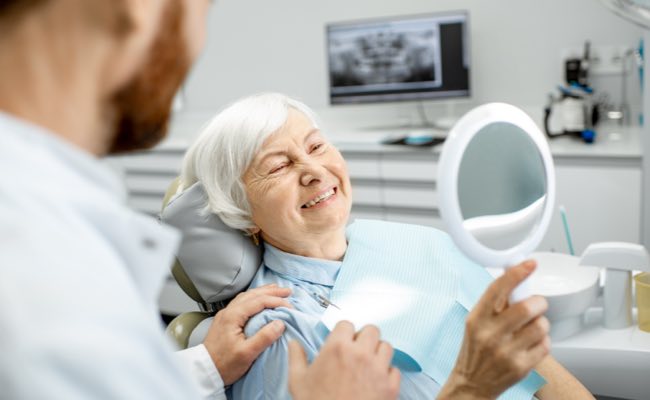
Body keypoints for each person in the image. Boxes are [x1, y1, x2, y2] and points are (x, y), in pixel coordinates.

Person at [0, 1, 399, 399]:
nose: (199, 40)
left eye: (316, 145)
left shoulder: (46, 227)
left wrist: (206, 364)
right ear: (141, 8)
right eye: (203, 9)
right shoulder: (277, 331)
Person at [179, 92, 596, 400]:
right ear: (243, 213)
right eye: (279, 166)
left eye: (316, 146)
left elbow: (533, 362)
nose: (313, 170)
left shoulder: (412, 241)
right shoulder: (274, 331)